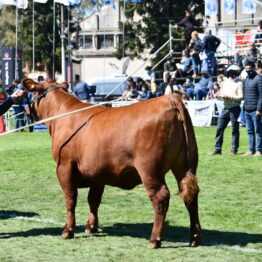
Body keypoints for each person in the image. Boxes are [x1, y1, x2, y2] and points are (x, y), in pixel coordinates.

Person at [209, 65, 243, 155]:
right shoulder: (226, 82)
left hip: (235, 108)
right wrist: (218, 95)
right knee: (219, 128)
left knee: (234, 129)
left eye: (233, 72)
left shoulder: (240, 83)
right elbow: (222, 93)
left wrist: (230, 97)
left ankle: (234, 149)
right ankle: (217, 149)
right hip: (226, 108)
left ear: (236, 73)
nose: (231, 73)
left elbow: (241, 97)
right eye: (230, 71)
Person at [242, 61, 262, 156]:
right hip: (247, 109)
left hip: (255, 110)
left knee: (258, 131)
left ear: (254, 68)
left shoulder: (259, 79)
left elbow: (261, 96)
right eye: (246, 69)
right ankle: (251, 150)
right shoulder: (246, 79)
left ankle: (259, 150)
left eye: (249, 69)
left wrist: (259, 109)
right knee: (249, 131)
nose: (247, 70)